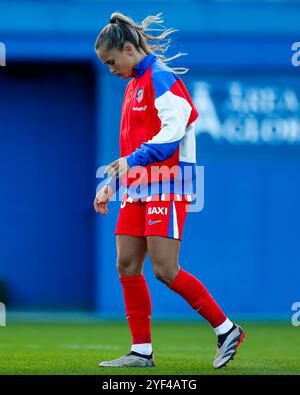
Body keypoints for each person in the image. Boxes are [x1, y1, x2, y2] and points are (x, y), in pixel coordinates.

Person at [94, 12, 246, 369]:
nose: (110, 69)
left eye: (111, 61)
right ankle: (141, 352)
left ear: (128, 49)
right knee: (127, 264)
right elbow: (133, 144)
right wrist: (111, 182)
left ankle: (227, 330)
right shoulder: (133, 84)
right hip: (137, 186)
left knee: (165, 269)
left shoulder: (161, 78)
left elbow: (170, 136)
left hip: (168, 182)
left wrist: (131, 162)